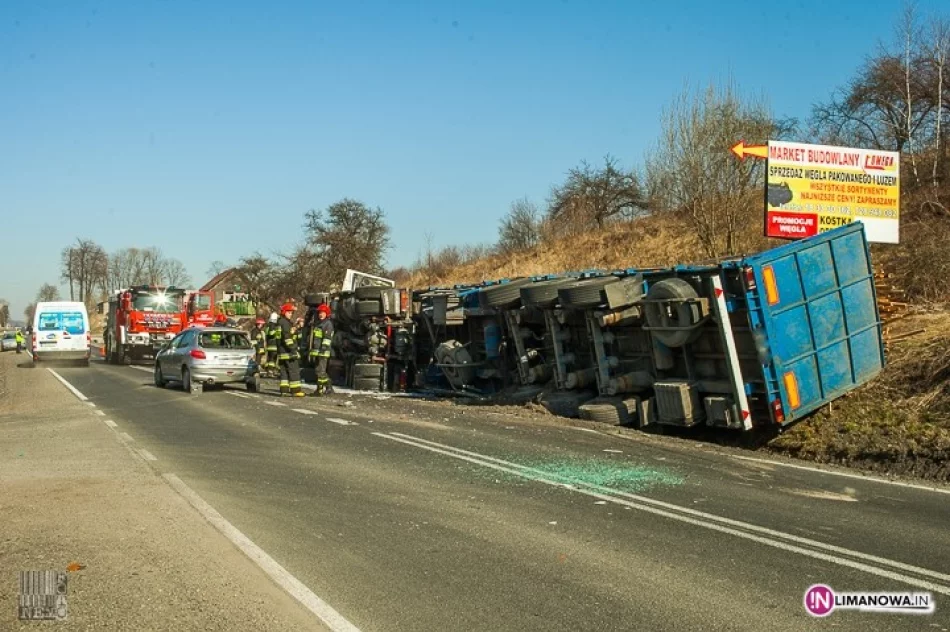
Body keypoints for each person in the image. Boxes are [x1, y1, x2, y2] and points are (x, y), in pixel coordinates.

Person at [276, 302, 304, 397]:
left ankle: (284, 390)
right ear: (284, 312)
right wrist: (293, 349)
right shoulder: (285, 323)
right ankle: (295, 390)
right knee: (294, 370)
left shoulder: (279, 322)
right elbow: (287, 338)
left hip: (281, 352)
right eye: (289, 312)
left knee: (284, 371)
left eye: (291, 312)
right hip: (288, 352)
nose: (290, 314)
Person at [309, 304, 334, 396]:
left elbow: (327, 338)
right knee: (318, 371)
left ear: (327, 314)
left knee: (321, 371)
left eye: (323, 313)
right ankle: (326, 388)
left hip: (323, 352)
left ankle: (322, 389)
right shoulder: (318, 324)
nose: (320, 314)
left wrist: (323, 348)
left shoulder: (328, 324)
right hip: (317, 351)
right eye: (320, 312)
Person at [264, 312, 280, 378]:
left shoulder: (268, 326)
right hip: (273, 345)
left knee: (269, 359)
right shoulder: (272, 325)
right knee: (272, 359)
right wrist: (278, 331)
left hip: (270, 345)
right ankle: (270, 371)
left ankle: (268, 371)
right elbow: (271, 333)